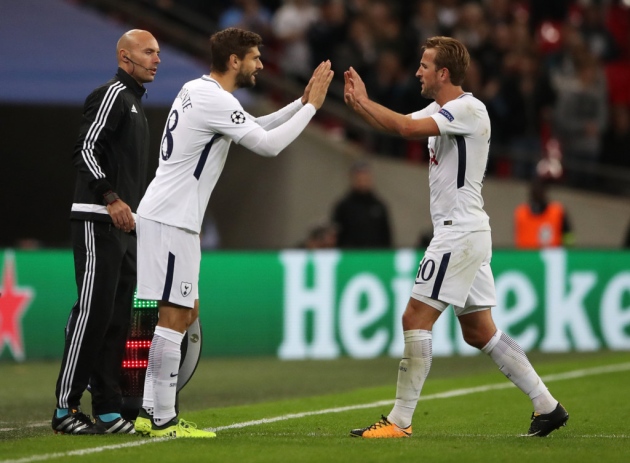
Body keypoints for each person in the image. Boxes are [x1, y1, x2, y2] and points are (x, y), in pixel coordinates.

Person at [343, 36, 568, 438]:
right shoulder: (440, 109)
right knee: (480, 330)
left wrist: (363, 101)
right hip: (468, 231)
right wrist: (359, 105)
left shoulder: (469, 109)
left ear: (443, 73)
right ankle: (547, 406)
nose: (418, 72)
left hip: (457, 234)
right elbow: (397, 124)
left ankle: (399, 421)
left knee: (415, 317)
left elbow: (403, 126)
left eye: (424, 65)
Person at [133, 27, 333, 438]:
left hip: (170, 215)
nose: (261, 64)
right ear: (234, 60)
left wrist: (298, 103)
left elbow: (253, 125)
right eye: (256, 57)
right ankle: (162, 419)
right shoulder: (214, 99)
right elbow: (267, 145)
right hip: (172, 217)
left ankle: (149, 411)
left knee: (185, 313)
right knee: (174, 317)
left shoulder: (199, 90)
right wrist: (312, 109)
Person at [52, 30, 161, 435]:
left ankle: (108, 409)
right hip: (97, 218)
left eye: (158, 53)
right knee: (93, 312)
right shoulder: (113, 95)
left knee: (116, 318)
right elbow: (85, 148)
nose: (157, 59)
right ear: (124, 56)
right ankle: (65, 408)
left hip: (123, 226)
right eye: (148, 52)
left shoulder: (135, 104)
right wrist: (110, 197)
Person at [332, 161, 392, 248]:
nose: (362, 182)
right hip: (350, 257)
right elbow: (335, 235)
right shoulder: (343, 206)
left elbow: (386, 236)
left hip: (375, 257)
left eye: (365, 179)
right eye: (359, 179)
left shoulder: (379, 206)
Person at [514, 178, 573, 249]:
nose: (538, 193)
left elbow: (568, 235)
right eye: (535, 191)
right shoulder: (521, 213)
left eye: (540, 190)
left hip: (552, 256)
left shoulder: (557, 212)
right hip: (527, 257)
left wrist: (568, 251)